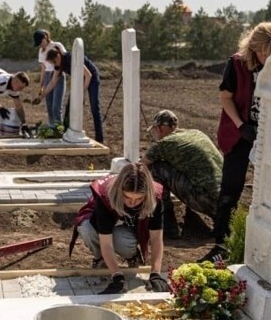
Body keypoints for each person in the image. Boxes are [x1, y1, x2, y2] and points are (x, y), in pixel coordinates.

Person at [201, 22, 271, 262]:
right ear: (252, 47)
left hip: (269, 135)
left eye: (269, 53)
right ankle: (221, 242)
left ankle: (262, 244)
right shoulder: (237, 64)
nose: (264, 57)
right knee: (231, 189)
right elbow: (226, 98)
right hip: (239, 132)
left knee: (270, 189)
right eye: (260, 51)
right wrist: (242, 126)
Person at [69, 163, 171, 295]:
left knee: (123, 241)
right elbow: (106, 242)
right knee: (87, 230)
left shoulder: (155, 197)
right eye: (127, 197)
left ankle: (132, 256)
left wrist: (155, 273)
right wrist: (117, 276)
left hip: (126, 226)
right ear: (119, 190)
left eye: (139, 198)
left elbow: (156, 238)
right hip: (98, 223)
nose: (132, 203)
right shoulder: (104, 194)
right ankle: (101, 259)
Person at [142, 110, 223, 239]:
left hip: (205, 200)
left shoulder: (165, 144)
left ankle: (168, 224)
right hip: (225, 201)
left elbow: (143, 166)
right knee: (191, 171)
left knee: (156, 168)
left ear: (160, 128)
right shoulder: (197, 133)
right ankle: (196, 219)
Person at [42, 47, 104, 143]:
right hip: (79, 81)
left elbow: (88, 75)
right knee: (69, 107)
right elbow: (53, 81)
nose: (54, 65)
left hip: (92, 79)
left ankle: (99, 138)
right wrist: (43, 93)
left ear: (58, 56)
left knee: (94, 107)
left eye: (54, 62)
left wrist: (81, 93)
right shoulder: (58, 65)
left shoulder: (72, 58)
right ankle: (65, 134)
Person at [33, 29, 67, 125]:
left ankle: (59, 129)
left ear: (45, 38)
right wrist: (41, 85)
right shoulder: (41, 51)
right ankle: (52, 129)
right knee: (49, 106)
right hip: (48, 76)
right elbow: (43, 68)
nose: (40, 45)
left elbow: (64, 60)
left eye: (41, 42)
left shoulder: (57, 45)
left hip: (58, 75)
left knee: (56, 107)